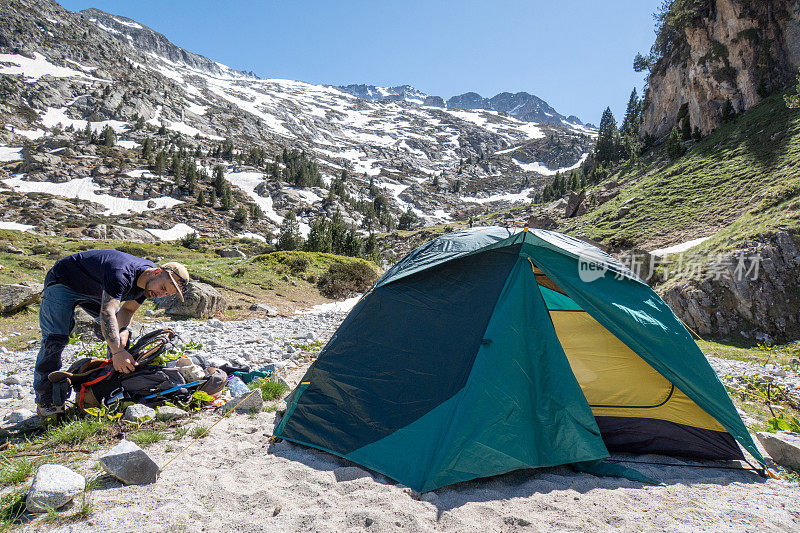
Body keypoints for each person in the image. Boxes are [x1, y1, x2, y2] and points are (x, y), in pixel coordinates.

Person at [34, 249, 190, 417]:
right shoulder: (122, 273)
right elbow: (107, 313)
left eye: (166, 294)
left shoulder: (147, 285)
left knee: (121, 338)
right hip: (63, 281)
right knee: (55, 340)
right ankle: (46, 400)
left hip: (95, 288)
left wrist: (124, 332)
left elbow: (128, 310)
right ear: (157, 272)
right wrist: (117, 351)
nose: (159, 295)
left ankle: (111, 384)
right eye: (162, 288)